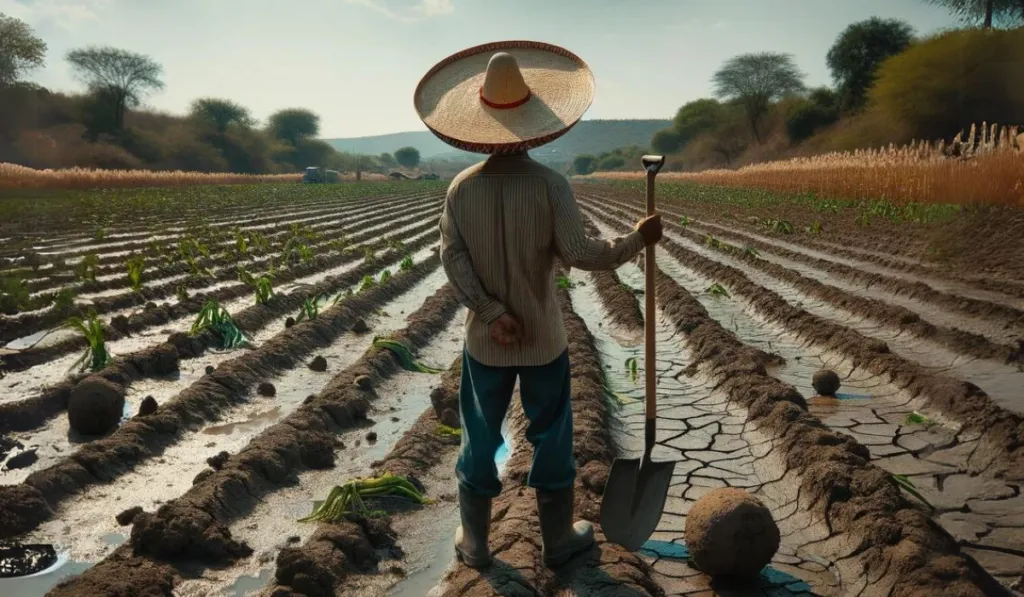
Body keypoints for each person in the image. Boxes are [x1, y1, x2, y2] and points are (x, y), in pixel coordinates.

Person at [413, 41, 662, 569]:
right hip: (545, 338)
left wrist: (489, 311)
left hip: (486, 342)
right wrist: (636, 240)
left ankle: (476, 544)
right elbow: (581, 254)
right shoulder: (551, 185)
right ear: (534, 121)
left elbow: (453, 260)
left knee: (480, 434)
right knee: (551, 433)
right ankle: (556, 541)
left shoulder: (460, 189)